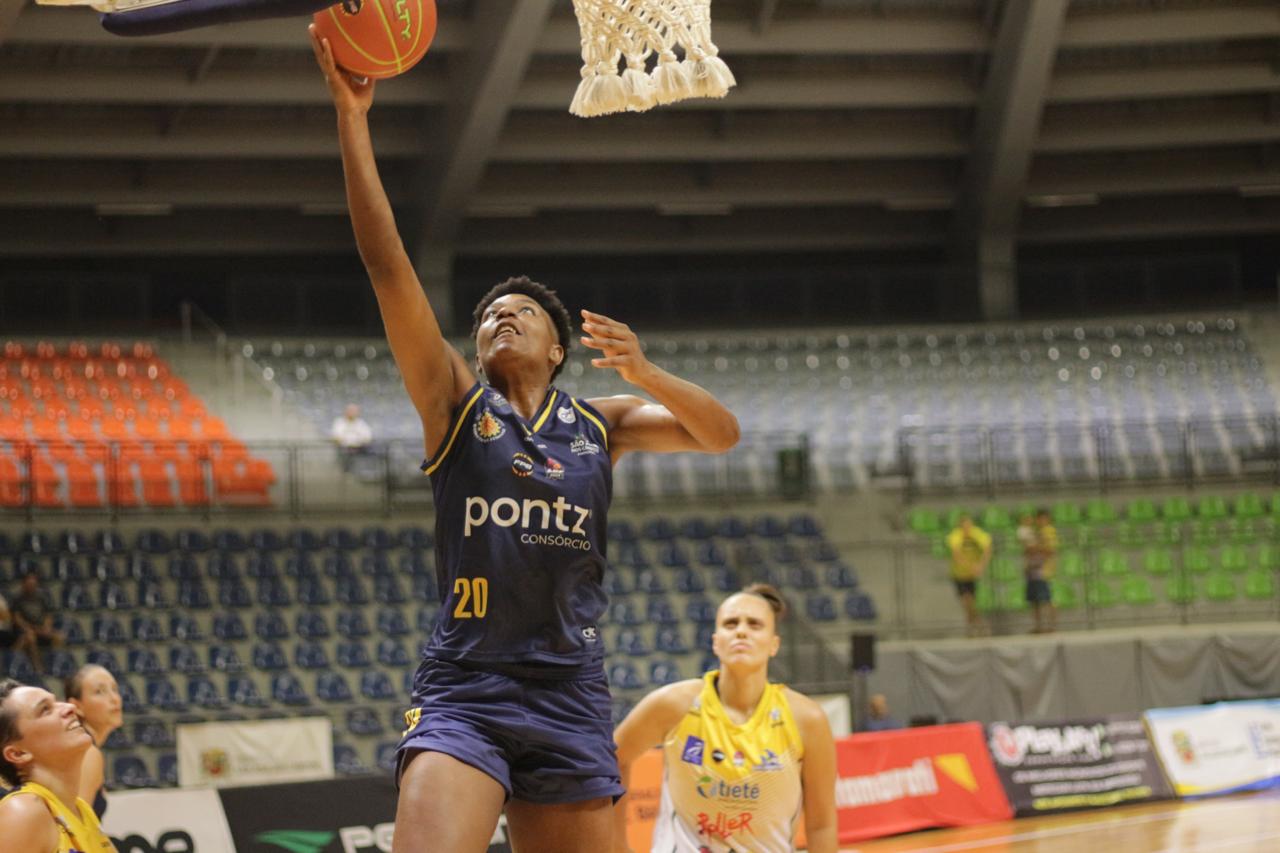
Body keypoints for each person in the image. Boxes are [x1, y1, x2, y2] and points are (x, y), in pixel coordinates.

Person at [309, 27, 741, 853]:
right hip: (466, 688)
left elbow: (720, 434)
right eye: (486, 316)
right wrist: (352, 119)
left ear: (556, 348)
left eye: (524, 312)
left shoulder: (599, 422)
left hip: (571, 690)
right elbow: (388, 265)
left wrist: (646, 372)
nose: (500, 314)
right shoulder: (454, 405)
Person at [611, 584, 838, 853]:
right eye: (731, 623)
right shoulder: (673, 704)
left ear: (774, 644)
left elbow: (821, 824)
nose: (741, 630)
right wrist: (616, 846)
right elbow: (613, 757)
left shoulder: (807, 719)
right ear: (716, 642)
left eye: (754, 624)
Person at [0, 678, 117, 852]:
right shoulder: (24, 811)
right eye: (45, 710)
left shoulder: (81, 809)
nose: (69, 708)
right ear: (18, 754)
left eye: (56, 702)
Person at [65, 665, 124, 819]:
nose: (114, 699)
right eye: (100, 692)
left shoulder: (81, 747)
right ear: (77, 706)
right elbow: (75, 826)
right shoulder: (87, 753)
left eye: (114, 689)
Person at [945, 515, 992, 637]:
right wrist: (971, 567)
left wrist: (981, 566)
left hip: (972, 576)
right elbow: (956, 554)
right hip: (960, 575)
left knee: (970, 602)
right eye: (964, 526)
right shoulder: (955, 535)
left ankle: (972, 628)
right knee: (967, 603)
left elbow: (988, 548)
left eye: (969, 525)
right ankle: (978, 625)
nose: (967, 528)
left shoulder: (977, 534)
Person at [11, 573, 64, 675]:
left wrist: (47, 627)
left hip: (40, 629)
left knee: (59, 637)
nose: (31, 587)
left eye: (33, 585)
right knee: (30, 637)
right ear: (24, 584)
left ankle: (55, 665)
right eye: (29, 584)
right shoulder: (17, 599)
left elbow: (48, 616)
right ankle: (38, 667)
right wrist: (29, 628)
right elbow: (17, 619)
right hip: (23, 631)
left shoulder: (41, 598)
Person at [1026, 509, 1059, 634]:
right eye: (1039, 519)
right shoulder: (1037, 532)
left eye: (1043, 519)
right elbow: (1028, 549)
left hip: (1044, 571)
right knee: (1035, 601)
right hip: (1033, 571)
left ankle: (1052, 626)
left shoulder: (1049, 531)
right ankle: (1039, 626)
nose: (1040, 521)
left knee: (1047, 599)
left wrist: (1036, 548)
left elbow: (1049, 551)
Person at [330, 402, 375, 473]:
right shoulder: (339, 423)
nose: (352, 413)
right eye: (350, 411)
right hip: (345, 449)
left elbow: (367, 437)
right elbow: (337, 438)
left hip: (361, 448)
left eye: (354, 411)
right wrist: (351, 442)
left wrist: (358, 442)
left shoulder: (361, 423)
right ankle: (348, 472)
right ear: (346, 412)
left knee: (377, 451)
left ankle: (370, 472)